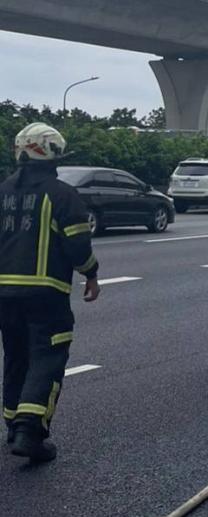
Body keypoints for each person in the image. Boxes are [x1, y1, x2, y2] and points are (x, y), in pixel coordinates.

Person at [0, 122, 100, 462]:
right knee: (47, 357)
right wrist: (92, 274)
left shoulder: (3, 191)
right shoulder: (62, 194)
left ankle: (13, 425)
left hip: (4, 295)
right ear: (53, 154)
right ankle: (30, 432)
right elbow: (77, 246)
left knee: (16, 358)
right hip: (46, 296)